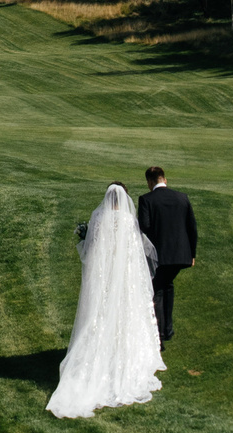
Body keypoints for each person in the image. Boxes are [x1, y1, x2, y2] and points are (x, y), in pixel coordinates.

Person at [46, 182, 166, 418]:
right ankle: (121, 356)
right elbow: (134, 255)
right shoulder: (128, 221)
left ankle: (102, 354)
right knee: (124, 314)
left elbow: (91, 252)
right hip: (123, 279)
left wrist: (83, 239)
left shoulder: (99, 219)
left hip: (104, 279)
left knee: (100, 314)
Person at [137, 166, 198, 342]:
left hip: (159, 256)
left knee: (157, 290)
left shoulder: (146, 199)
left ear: (149, 182)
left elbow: (144, 227)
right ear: (165, 179)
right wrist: (192, 254)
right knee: (167, 286)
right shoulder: (182, 197)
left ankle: (160, 334)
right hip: (181, 255)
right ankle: (168, 329)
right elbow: (192, 227)